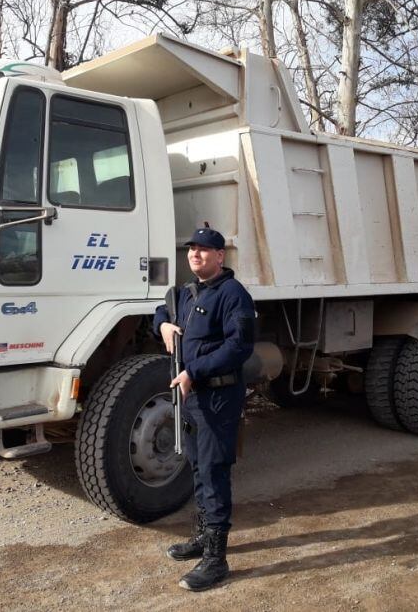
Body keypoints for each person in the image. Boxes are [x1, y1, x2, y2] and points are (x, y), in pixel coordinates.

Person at [153, 224, 255, 592]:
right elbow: (158, 312)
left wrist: (193, 370)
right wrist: (163, 324)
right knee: (197, 466)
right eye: (191, 250)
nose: (195, 255)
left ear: (220, 256)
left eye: (204, 250)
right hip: (192, 397)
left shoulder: (233, 294)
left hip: (217, 397)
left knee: (213, 472)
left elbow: (239, 347)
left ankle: (216, 559)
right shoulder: (186, 292)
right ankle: (201, 538)